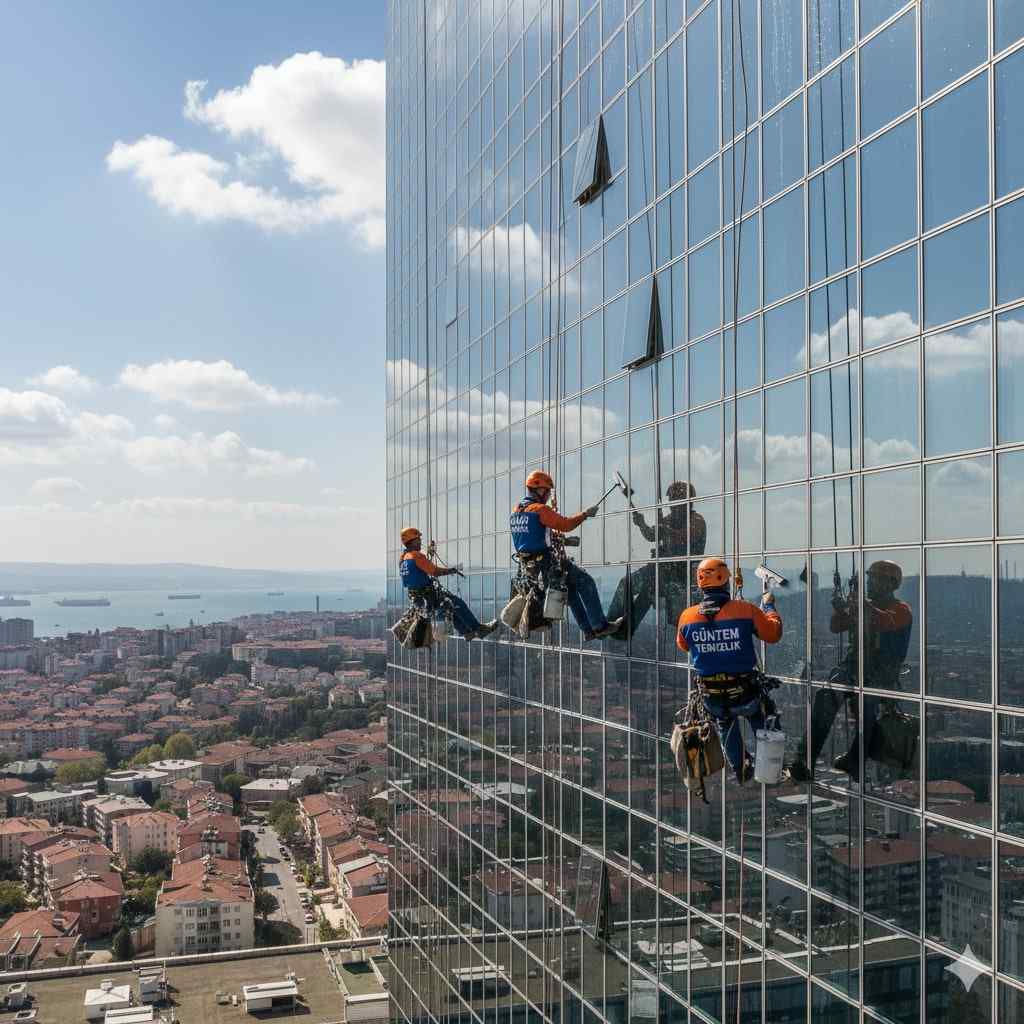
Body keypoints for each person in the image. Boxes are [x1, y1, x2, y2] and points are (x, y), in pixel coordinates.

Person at [789, 559, 912, 783]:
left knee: (866, 708)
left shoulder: (901, 609)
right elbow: (836, 626)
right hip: (856, 666)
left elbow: (884, 622)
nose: (870, 583)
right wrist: (842, 610)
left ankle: (855, 760)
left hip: (881, 672)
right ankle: (805, 758)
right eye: (870, 578)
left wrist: (859, 606)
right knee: (826, 697)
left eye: (874, 579)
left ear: (889, 584)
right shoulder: (868, 606)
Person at [676, 557, 783, 782]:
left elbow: (683, 644)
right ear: (726, 581)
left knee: (725, 722)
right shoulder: (745, 610)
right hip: (746, 694)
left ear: (700, 583)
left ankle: (741, 767)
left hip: (713, 698)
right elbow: (773, 634)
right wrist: (769, 606)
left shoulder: (687, 616)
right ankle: (773, 769)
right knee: (760, 716)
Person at [510, 470, 623, 642]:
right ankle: (600, 626)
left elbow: (534, 535)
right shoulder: (540, 509)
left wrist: (563, 540)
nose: (548, 495)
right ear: (539, 490)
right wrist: (585, 514)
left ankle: (588, 630)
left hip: (529, 567)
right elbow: (566, 524)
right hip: (548, 563)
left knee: (570, 593)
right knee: (586, 582)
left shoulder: (517, 511)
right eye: (547, 491)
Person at [608, 481, 707, 637]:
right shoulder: (668, 520)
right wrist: (642, 524)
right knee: (627, 583)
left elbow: (685, 537)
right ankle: (614, 627)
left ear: (687, 503)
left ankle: (623, 631)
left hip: (679, 574)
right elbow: (650, 535)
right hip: (660, 571)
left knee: (647, 595)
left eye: (675, 502)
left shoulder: (697, 521)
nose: (672, 506)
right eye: (672, 502)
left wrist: (665, 529)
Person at [398, 527, 498, 640]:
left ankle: (466, 632)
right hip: (428, 595)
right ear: (412, 541)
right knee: (457, 603)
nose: (420, 541)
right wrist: (451, 570)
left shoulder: (403, 559)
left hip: (417, 598)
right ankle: (479, 629)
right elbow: (434, 571)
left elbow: (419, 569)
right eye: (418, 539)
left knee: (450, 606)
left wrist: (428, 554)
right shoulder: (416, 556)